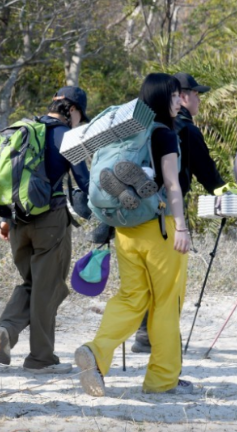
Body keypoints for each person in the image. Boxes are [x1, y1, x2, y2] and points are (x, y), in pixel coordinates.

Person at [75, 73, 193, 397]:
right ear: (162, 99)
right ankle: (161, 380)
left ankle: (96, 351)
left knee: (131, 298)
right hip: (160, 230)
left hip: (126, 230)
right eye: (174, 96)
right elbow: (172, 185)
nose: (178, 102)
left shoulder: (125, 134)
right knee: (166, 303)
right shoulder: (164, 134)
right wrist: (181, 226)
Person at [0, 86, 90, 374]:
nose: (79, 123)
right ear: (71, 109)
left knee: (32, 285)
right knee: (48, 289)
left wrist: (4, 221)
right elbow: (84, 181)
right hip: (50, 222)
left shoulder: (22, 130)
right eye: (80, 116)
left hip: (17, 221)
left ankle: (7, 331)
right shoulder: (66, 136)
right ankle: (41, 359)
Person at [131, 72, 225, 354]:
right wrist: (234, 198)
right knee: (169, 281)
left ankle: (142, 334)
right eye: (196, 94)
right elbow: (210, 179)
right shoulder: (184, 129)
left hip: (133, 213)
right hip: (164, 214)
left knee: (143, 280)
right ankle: (156, 340)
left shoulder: (142, 125)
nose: (198, 99)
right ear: (182, 95)